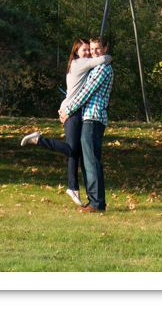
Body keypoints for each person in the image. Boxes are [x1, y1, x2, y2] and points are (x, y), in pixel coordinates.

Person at [20, 39, 109, 206]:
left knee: (75, 151)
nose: (89, 53)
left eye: (90, 49)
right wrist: (107, 54)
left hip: (74, 109)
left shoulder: (79, 64)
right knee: (72, 149)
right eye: (86, 50)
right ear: (76, 52)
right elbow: (102, 61)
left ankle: (73, 187)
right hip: (73, 110)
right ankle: (39, 140)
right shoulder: (80, 63)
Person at [59, 36, 114, 213]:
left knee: (91, 162)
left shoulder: (102, 69)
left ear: (105, 48)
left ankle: (97, 204)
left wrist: (68, 110)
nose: (93, 52)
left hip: (93, 117)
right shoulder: (96, 66)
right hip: (87, 118)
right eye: (91, 49)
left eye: (97, 49)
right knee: (88, 161)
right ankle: (94, 201)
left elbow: (86, 92)